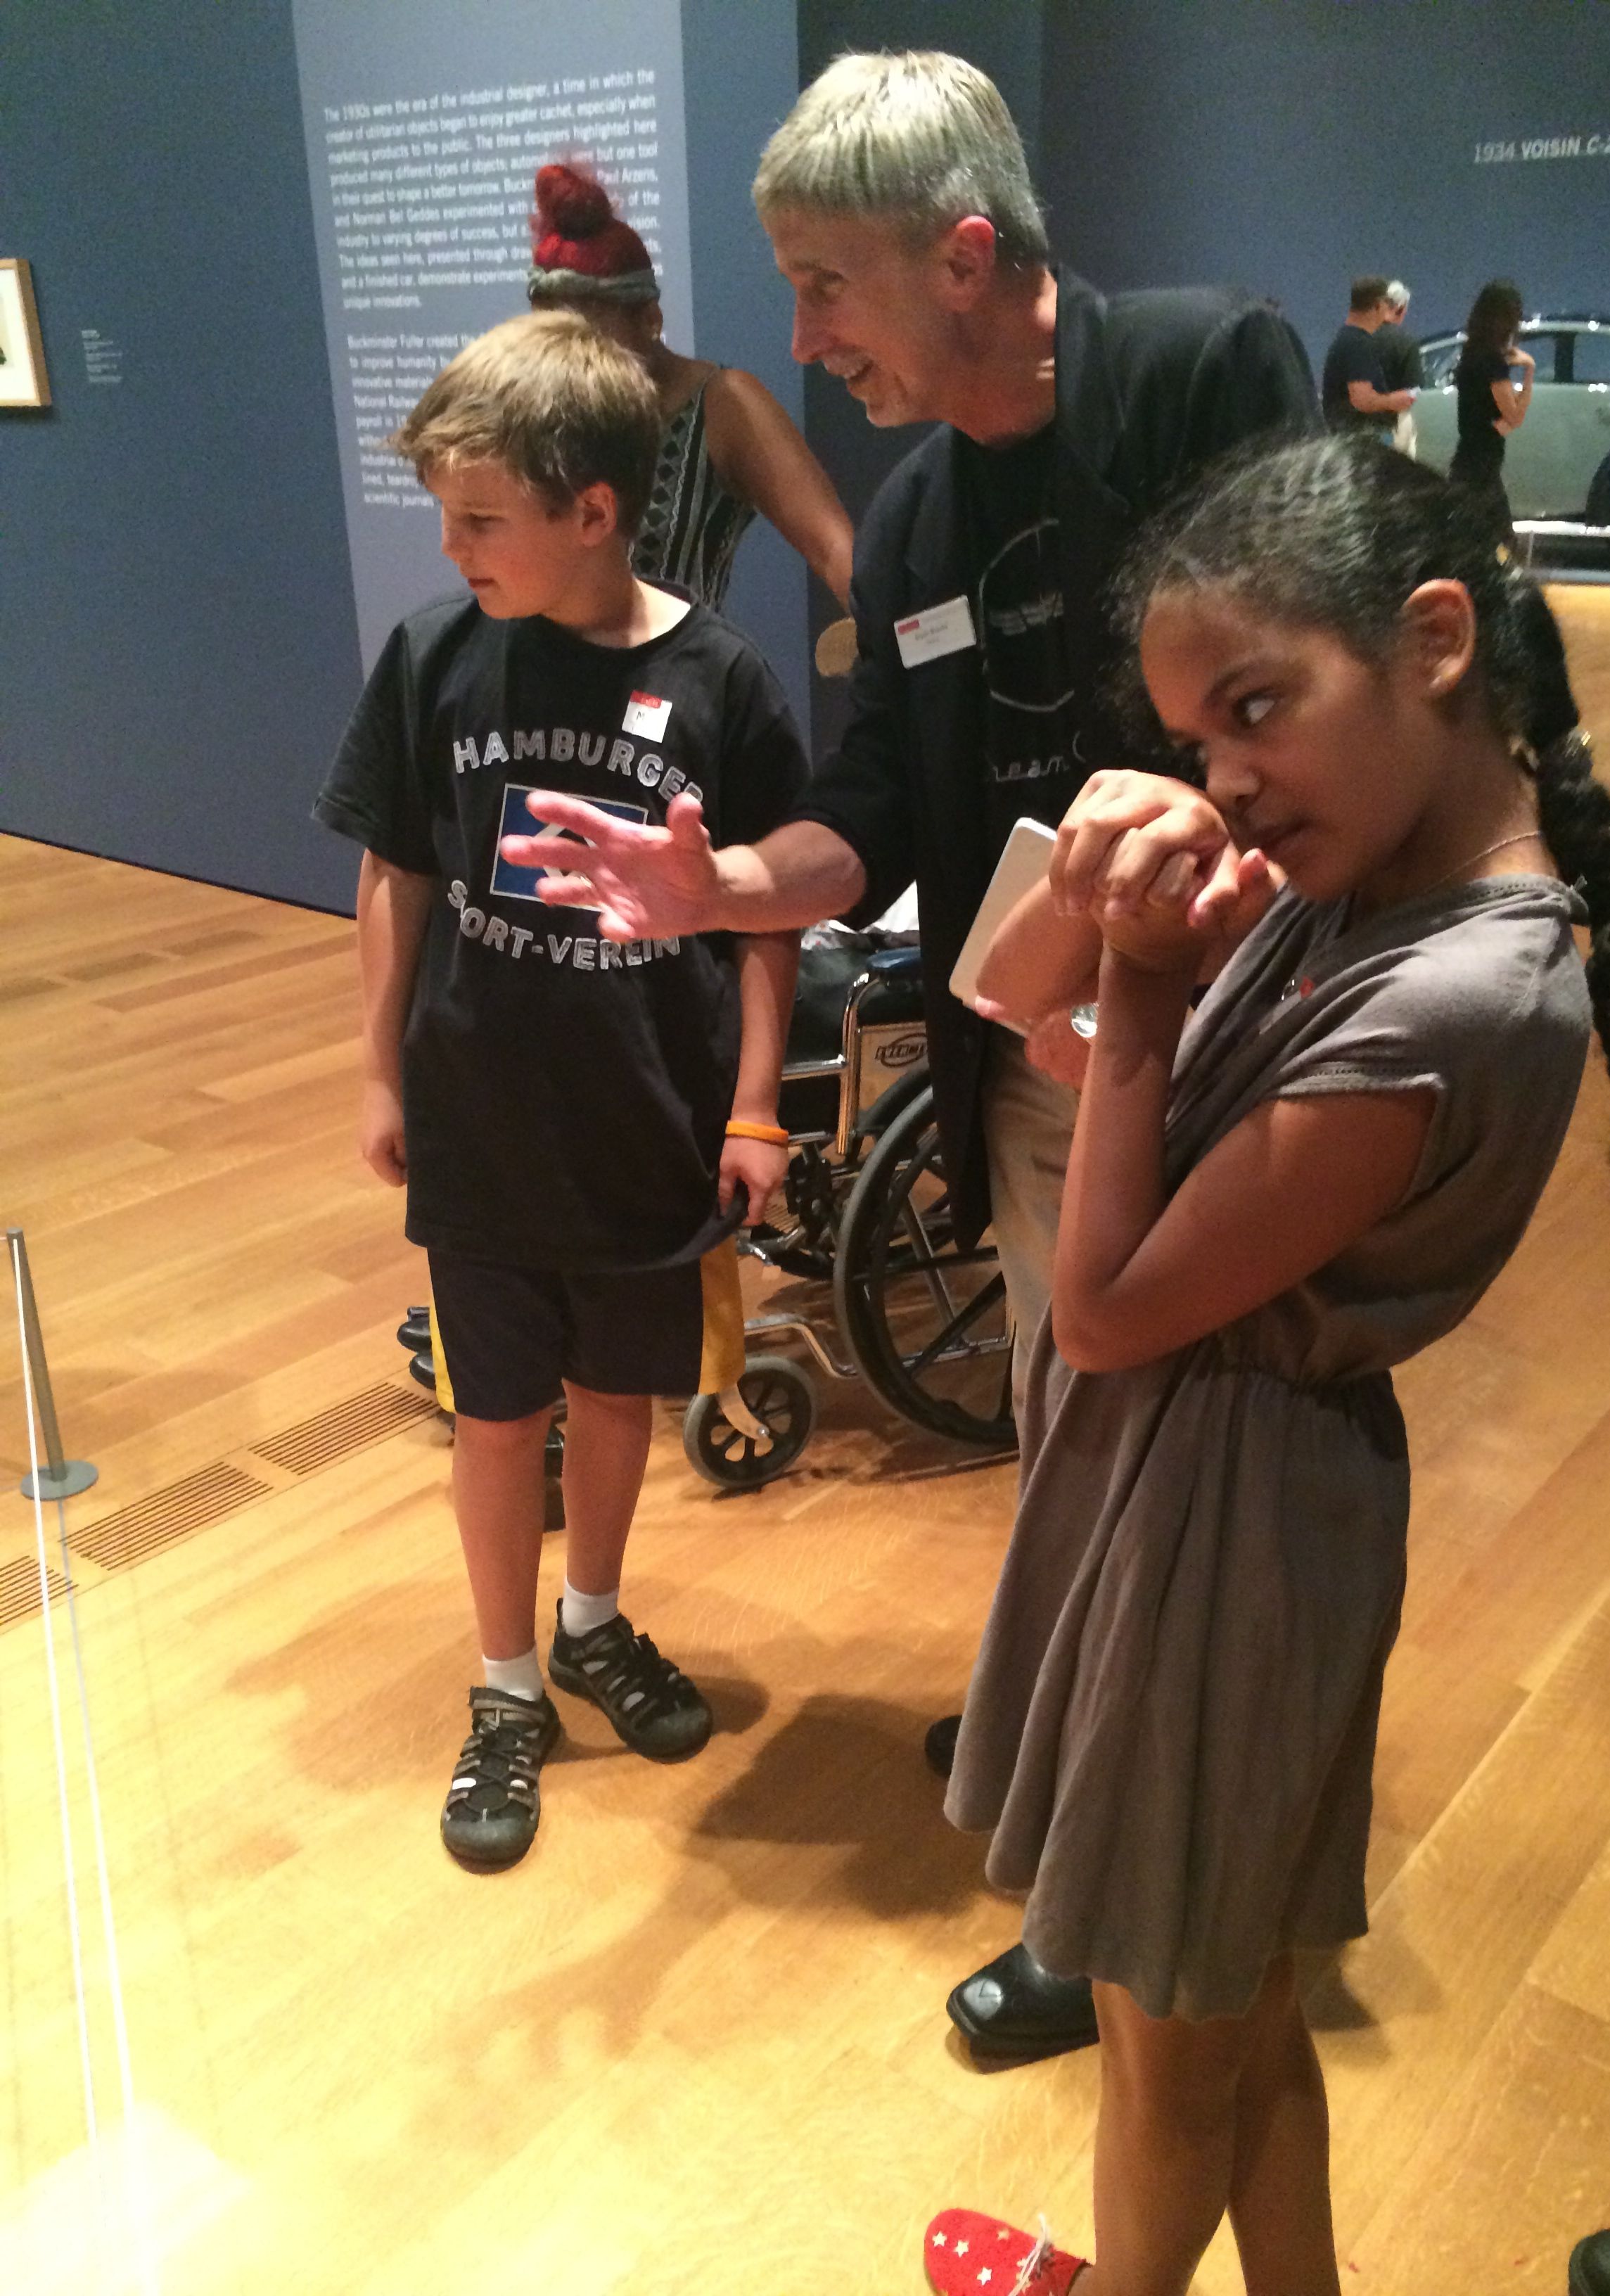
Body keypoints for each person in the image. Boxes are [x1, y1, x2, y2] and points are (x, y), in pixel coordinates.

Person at [501, 48, 1318, 2058]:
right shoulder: (921, 509)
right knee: (1069, 1431)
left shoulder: (1201, 376)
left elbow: (1321, 688)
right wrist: (726, 887)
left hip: (1234, 1050)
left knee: (1177, 1467)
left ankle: (1127, 1908)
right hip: (1038, 1070)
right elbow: (874, 801)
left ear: (963, 256)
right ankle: (1070, 1734)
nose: (799, 337)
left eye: (823, 284)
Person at [921, 433, 1610, 2295]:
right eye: (1195, 738)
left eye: (1255, 708)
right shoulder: (1357, 880)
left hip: (1230, 1531)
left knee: (1166, 2052)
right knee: (1236, 2012)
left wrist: (1152, 984)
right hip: (1184, 1486)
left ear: (1433, 641)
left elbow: (1107, 1306)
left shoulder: (1460, 996)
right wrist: (1099, 883)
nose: (1227, 776)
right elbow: (1019, 1007)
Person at [314, 312, 807, 1870]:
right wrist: (380, 1068)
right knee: (493, 1415)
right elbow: (395, 871)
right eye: (444, 516)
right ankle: (507, 1680)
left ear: (593, 511)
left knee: (615, 1398)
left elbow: (770, 917)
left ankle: (591, 1619)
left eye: (480, 519)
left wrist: (754, 1106)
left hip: (648, 1121)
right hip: (482, 1121)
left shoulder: (721, 680)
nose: (450, 548)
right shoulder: (436, 658)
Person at [528, 160, 853, 612]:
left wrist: (903, 641)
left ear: (650, 320)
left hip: (683, 659)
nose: (574, 362)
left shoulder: (724, 404)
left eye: (592, 338)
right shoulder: (538, 413)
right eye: (552, 340)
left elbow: (835, 550)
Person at [1451, 277, 1535, 547]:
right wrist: (1529, 371)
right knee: (1499, 538)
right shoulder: (1493, 362)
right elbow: (1515, 417)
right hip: (1484, 461)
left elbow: (1486, 409)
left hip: (1470, 455)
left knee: (1471, 534)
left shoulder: (1471, 353)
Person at [1320, 275, 1417, 438]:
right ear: (1378, 305)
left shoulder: (1347, 338)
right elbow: (1362, 400)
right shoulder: (1358, 343)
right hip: (1360, 439)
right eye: (1387, 305)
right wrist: (1395, 400)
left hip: (1349, 436)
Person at [1375, 281, 1425, 455]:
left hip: (1359, 424)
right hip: (1393, 424)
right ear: (1400, 308)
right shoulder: (1406, 342)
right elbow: (1414, 391)